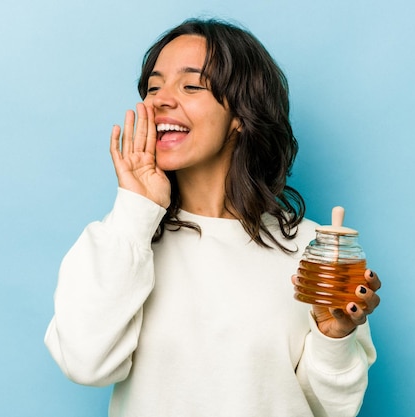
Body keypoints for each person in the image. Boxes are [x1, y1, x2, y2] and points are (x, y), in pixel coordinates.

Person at [44, 17, 381, 417]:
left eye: (190, 85)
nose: (160, 100)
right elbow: (85, 363)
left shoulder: (312, 253)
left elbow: (330, 409)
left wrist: (333, 339)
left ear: (240, 114)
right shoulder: (123, 241)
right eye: (154, 87)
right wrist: (137, 208)